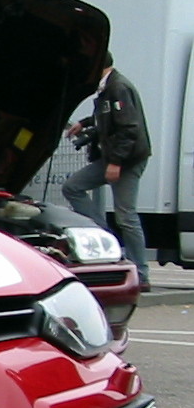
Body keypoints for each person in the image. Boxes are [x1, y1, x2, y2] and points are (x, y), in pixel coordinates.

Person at [62, 51, 153, 290]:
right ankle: (104, 234)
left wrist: (116, 163)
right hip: (114, 156)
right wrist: (85, 122)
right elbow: (105, 115)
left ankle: (141, 273)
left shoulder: (118, 88)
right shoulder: (107, 89)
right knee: (73, 187)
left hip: (127, 159)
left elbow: (129, 129)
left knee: (126, 215)